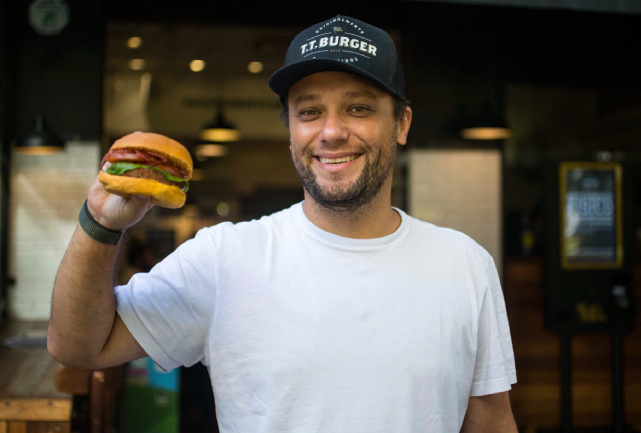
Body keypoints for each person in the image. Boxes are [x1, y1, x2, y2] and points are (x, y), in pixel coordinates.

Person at [48, 15, 518, 432]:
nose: (331, 132)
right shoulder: (223, 258)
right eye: (309, 112)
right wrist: (100, 224)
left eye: (359, 108)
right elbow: (78, 348)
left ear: (401, 123)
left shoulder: (465, 264)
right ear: (291, 129)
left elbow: (491, 421)